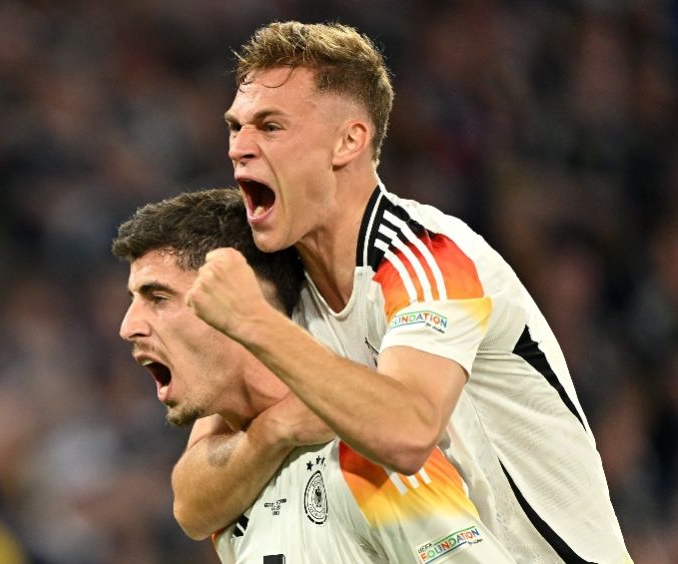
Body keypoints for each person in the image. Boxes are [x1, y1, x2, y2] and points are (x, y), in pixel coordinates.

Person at [175, 22, 632, 563]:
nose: (240, 148)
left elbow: (408, 433)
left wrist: (254, 324)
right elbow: (193, 506)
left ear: (348, 141)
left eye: (270, 126)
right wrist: (273, 429)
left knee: (359, 459)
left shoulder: (430, 257)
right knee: (262, 503)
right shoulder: (281, 287)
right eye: (236, 127)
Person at [113, 188, 514, 563]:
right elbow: (189, 507)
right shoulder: (236, 486)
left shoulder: (367, 461)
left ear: (235, 297)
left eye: (158, 297)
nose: (128, 327)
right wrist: (275, 429)